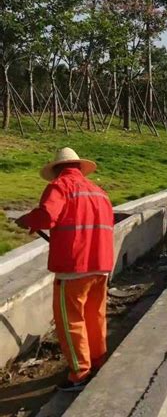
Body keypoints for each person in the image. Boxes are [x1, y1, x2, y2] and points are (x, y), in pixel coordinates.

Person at [15, 148, 114, 392]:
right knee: (95, 315)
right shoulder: (99, 192)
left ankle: (79, 374)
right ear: (79, 168)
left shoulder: (60, 187)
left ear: (57, 169)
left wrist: (27, 220)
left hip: (73, 269)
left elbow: (48, 216)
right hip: (101, 266)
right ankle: (98, 360)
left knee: (71, 322)